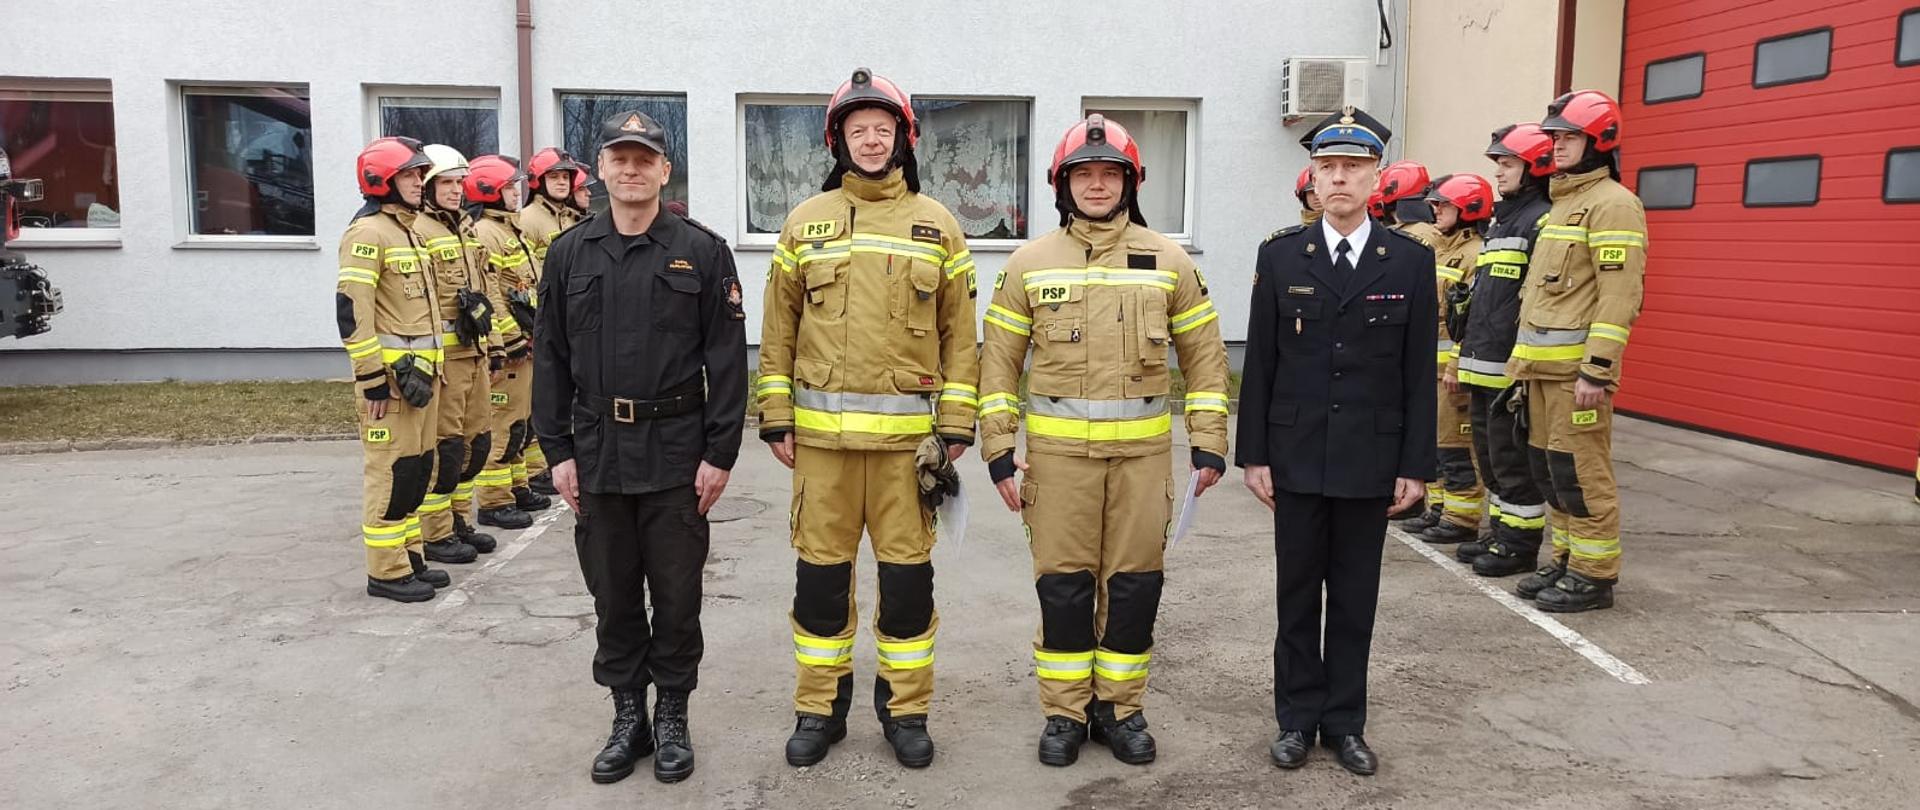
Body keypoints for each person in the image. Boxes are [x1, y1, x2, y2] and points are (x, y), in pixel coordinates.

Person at [978, 114, 1231, 767]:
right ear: (1062, 185)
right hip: (1057, 465)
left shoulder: (1167, 260)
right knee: (1063, 588)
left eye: (1108, 173)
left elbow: (1205, 360)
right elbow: (998, 367)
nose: (1096, 185)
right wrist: (999, 450)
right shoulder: (1028, 265)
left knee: (1135, 585)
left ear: (1130, 182)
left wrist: (1209, 440)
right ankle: (1064, 713)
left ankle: (1119, 709)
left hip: (1143, 463)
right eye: (1083, 174)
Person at [755, 68, 979, 770]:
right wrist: (776, 415)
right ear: (838, 140)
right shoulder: (805, 223)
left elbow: (960, 337)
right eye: (859, 130)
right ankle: (818, 711)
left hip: (906, 456)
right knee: (820, 587)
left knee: (908, 589)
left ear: (903, 138)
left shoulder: (937, 225)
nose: (872, 140)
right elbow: (778, 330)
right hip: (821, 450)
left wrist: (955, 427)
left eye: (883, 129)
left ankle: (905, 713)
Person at [533, 109, 746, 785]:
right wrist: (557, 451)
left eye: (644, 158)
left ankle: (674, 717)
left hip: (679, 453)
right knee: (614, 596)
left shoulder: (703, 252)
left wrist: (721, 453)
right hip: (597, 453)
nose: (631, 168)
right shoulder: (570, 254)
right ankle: (629, 717)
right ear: (600, 170)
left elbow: (728, 360)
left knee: (678, 597)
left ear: (664, 170)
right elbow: (550, 361)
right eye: (619, 157)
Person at [1237, 107, 1436, 776]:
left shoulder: (1409, 261)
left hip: (1370, 459)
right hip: (1294, 458)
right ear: (1314, 179)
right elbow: (1260, 363)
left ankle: (1345, 723)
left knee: (1355, 600)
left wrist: (1416, 465)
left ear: (1375, 176)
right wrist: (1254, 454)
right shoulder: (1280, 255)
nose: (1341, 178)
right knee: (1297, 598)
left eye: (1354, 166)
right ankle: (1295, 721)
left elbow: (1417, 374)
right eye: (1329, 167)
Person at [1507, 90, 1647, 613]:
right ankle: (1566, 558)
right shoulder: (1563, 204)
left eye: (1567, 137)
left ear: (1599, 141)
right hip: (1543, 371)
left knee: (1582, 473)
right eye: (1555, 137)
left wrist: (1598, 370)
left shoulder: (1613, 205)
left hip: (1576, 376)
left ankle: (1593, 574)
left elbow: (1619, 296)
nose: (1557, 146)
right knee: (1551, 469)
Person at [335, 136, 443, 603]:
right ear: (382, 181)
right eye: (411, 174)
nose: (420, 182)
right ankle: (386, 570)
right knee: (390, 473)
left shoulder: (410, 231)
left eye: (420, 174)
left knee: (416, 470)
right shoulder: (368, 234)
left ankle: (409, 555)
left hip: (419, 378)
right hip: (390, 385)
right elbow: (351, 311)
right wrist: (372, 377)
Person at [1452, 124, 1556, 577]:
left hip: (1507, 367)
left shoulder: (1541, 220)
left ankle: (1519, 545)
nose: (1498, 172)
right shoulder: (1504, 221)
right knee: (1490, 459)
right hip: (1481, 362)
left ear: (1535, 169)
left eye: (1508, 164)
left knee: (1512, 462)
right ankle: (1499, 534)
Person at [409, 144, 495, 572]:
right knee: (445, 448)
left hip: (475, 352)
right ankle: (436, 531)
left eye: (459, 183)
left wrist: (493, 342)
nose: (456, 190)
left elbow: (485, 292)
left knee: (476, 442)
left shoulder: (466, 229)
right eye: (446, 182)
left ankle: (460, 520)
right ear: (426, 188)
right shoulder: (420, 231)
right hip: (445, 361)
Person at [465, 155, 551, 530]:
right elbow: (494, 295)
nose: (516, 193)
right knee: (504, 423)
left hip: (526, 339)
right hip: (512, 345)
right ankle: (494, 501)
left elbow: (523, 286)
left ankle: (516, 486)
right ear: (488, 191)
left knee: (521, 422)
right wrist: (510, 339)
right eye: (508, 188)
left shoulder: (509, 229)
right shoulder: (487, 232)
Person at [1414, 173, 1495, 545]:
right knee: (1435, 446)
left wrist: (1459, 363)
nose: (1435, 209)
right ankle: (1440, 509)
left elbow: (1474, 317)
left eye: (1443, 204)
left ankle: (1461, 518)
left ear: (1468, 208)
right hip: (1429, 368)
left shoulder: (1476, 254)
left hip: (1452, 370)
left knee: (1456, 447)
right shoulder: (1441, 249)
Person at [518, 146, 583, 497]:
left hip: (576, 319)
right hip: (544, 318)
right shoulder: (528, 220)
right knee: (539, 399)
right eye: (553, 177)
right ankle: (538, 467)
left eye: (565, 177)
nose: (561, 182)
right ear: (538, 182)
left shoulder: (571, 218)